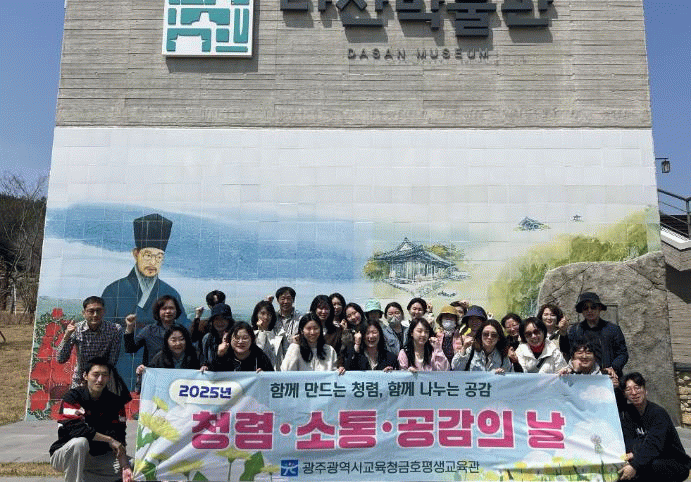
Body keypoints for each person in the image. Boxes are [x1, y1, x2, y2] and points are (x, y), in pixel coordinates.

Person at [101, 213, 187, 389]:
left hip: (161, 370)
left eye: (159, 257)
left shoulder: (171, 293)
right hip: (121, 368)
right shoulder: (113, 291)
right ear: (136, 254)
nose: (153, 262)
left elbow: (185, 332)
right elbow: (103, 335)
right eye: (148, 255)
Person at [49, 357, 133, 482]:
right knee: (80, 443)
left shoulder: (116, 402)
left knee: (137, 468)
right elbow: (76, 430)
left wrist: (125, 466)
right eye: (96, 374)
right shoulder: (72, 397)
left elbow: (119, 436)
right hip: (66, 455)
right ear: (85, 376)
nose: (100, 379)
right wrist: (109, 439)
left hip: (98, 459)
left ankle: (87, 476)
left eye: (104, 375)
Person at [619, 372, 691, 481]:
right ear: (625, 394)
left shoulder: (658, 413)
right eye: (628, 390)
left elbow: (654, 445)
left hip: (674, 461)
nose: (634, 392)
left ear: (645, 390)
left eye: (637, 388)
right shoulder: (628, 414)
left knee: (649, 466)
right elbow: (629, 441)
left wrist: (635, 464)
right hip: (648, 458)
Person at [57, 296, 122, 388]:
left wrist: (95, 377)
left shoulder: (114, 330)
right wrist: (66, 336)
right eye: (91, 311)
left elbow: (112, 360)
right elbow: (60, 359)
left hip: (103, 381)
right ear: (84, 313)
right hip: (80, 381)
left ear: (104, 312)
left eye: (98, 311)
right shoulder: (76, 329)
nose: (95, 315)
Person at [559, 292, 628, 377]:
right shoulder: (575, 329)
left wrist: (613, 367)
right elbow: (566, 351)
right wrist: (563, 333)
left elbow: (623, 353)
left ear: (599, 308)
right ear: (582, 311)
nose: (589, 311)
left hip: (608, 377)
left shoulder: (613, 329)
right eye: (585, 308)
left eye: (593, 307)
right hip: (583, 377)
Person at [123, 295, 184, 388]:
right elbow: (130, 349)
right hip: (152, 381)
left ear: (177, 311)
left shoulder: (182, 331)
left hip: (175, 381)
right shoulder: (149, 330)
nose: (168, 311)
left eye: (171, 308)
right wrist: (129, 327)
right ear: (158, 311)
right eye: (164, 308)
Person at [208, 322, 274, 372]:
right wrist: (218, 356)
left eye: (245, 338)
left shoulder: (259, 356)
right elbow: (211, 375)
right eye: (236, 338)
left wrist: (264, 375)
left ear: (252, 340)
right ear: (230, 339)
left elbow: (272, 379)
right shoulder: (224, 354)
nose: (240, 341)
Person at [251, 300, 285, 370]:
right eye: (262, 314)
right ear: (256, 315)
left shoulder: (279, 334)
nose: (266, 317)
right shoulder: (250, 334)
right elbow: (259, 352)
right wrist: (261, 331)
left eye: (269, 314)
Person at [190, 290, 226, 356]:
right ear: (209, 306)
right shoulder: (203, 325)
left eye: (220, 303)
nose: (217, 307)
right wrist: (197, 317)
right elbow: (192, 338)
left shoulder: (231, 323)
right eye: (214, 304)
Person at [199, 303, 234, 367]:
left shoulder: (236, 338)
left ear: (229, 321)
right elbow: (204, 359)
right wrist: (204, 365)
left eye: (223, 318)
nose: (220, 322)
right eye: (216, 319)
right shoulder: (207, 338)